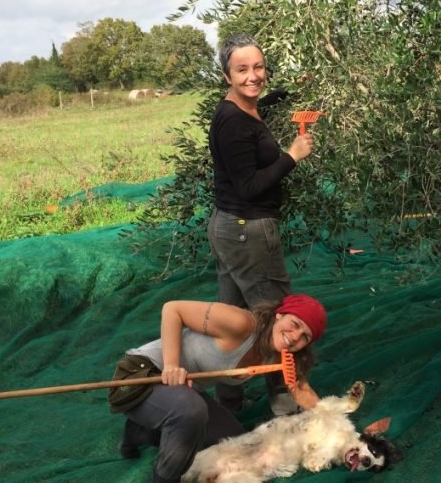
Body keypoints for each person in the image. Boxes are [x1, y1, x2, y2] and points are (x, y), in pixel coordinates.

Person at [207, 33, 315, 415]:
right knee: (277, 318)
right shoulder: (233, 124)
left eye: (259, 67)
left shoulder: (241, 110)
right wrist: (292, 156)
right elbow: (250, 186)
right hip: (248, 231)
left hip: (229, 229)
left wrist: (285, 92)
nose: (253, 76)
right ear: (226, 76)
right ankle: (287, 406)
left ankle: (227, 406)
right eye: (242, 70)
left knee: (232, 325)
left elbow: (256, 107)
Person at [109, 293, 327, 483]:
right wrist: (172, 366)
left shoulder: (280, 355)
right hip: (142, 375)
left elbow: (305, 393)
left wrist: (335, 426)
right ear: (279, 314)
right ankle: (165, 479)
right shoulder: (241, 323)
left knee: (233, 442)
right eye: (295, 324)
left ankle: (143, 431)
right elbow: (172, 309)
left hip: (184, 392)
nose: (295, 337)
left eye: (305, 337)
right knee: (191, 411)